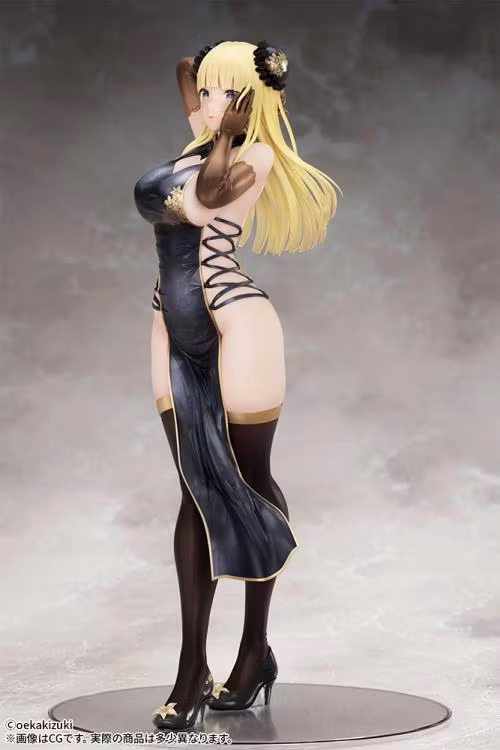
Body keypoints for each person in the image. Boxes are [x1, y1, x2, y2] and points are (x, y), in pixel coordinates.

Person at [133, 39, 341, 730]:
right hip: (169, 321)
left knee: (247, 478)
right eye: (210, 91)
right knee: (194, 488)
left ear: (254, 102)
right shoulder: (201, 142)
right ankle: (191, 666)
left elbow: (202, 205)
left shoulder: (253, 157)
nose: (213, 103)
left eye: (228, 92)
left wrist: (226, 129)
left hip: (235, 322)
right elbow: (185, 78)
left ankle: (253, 650)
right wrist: (204, 86)